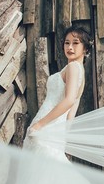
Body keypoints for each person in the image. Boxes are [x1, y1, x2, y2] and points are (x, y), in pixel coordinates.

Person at [23, 24, 91, 161]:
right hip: (56, 129)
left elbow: (69, 101)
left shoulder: (73, 67)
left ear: (86, 48)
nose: (70, 47)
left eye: (75, 43)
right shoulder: (80, 72)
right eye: (67, 43)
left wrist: (39, 124)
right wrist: (63, 140)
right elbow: (71, 113)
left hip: (47, 124)